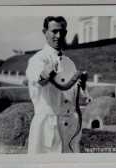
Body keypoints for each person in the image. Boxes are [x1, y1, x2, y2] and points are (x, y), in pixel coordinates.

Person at [26, 16, 90, 153]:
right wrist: (45, 73)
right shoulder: (37, 59)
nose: (58, 36)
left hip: (69, 130)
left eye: (62, 32)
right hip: (46, 128)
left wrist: (81, 84)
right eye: (54, 31)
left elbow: (77, 99)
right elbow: (38, 78)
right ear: (44, 32)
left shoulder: (69, 63)